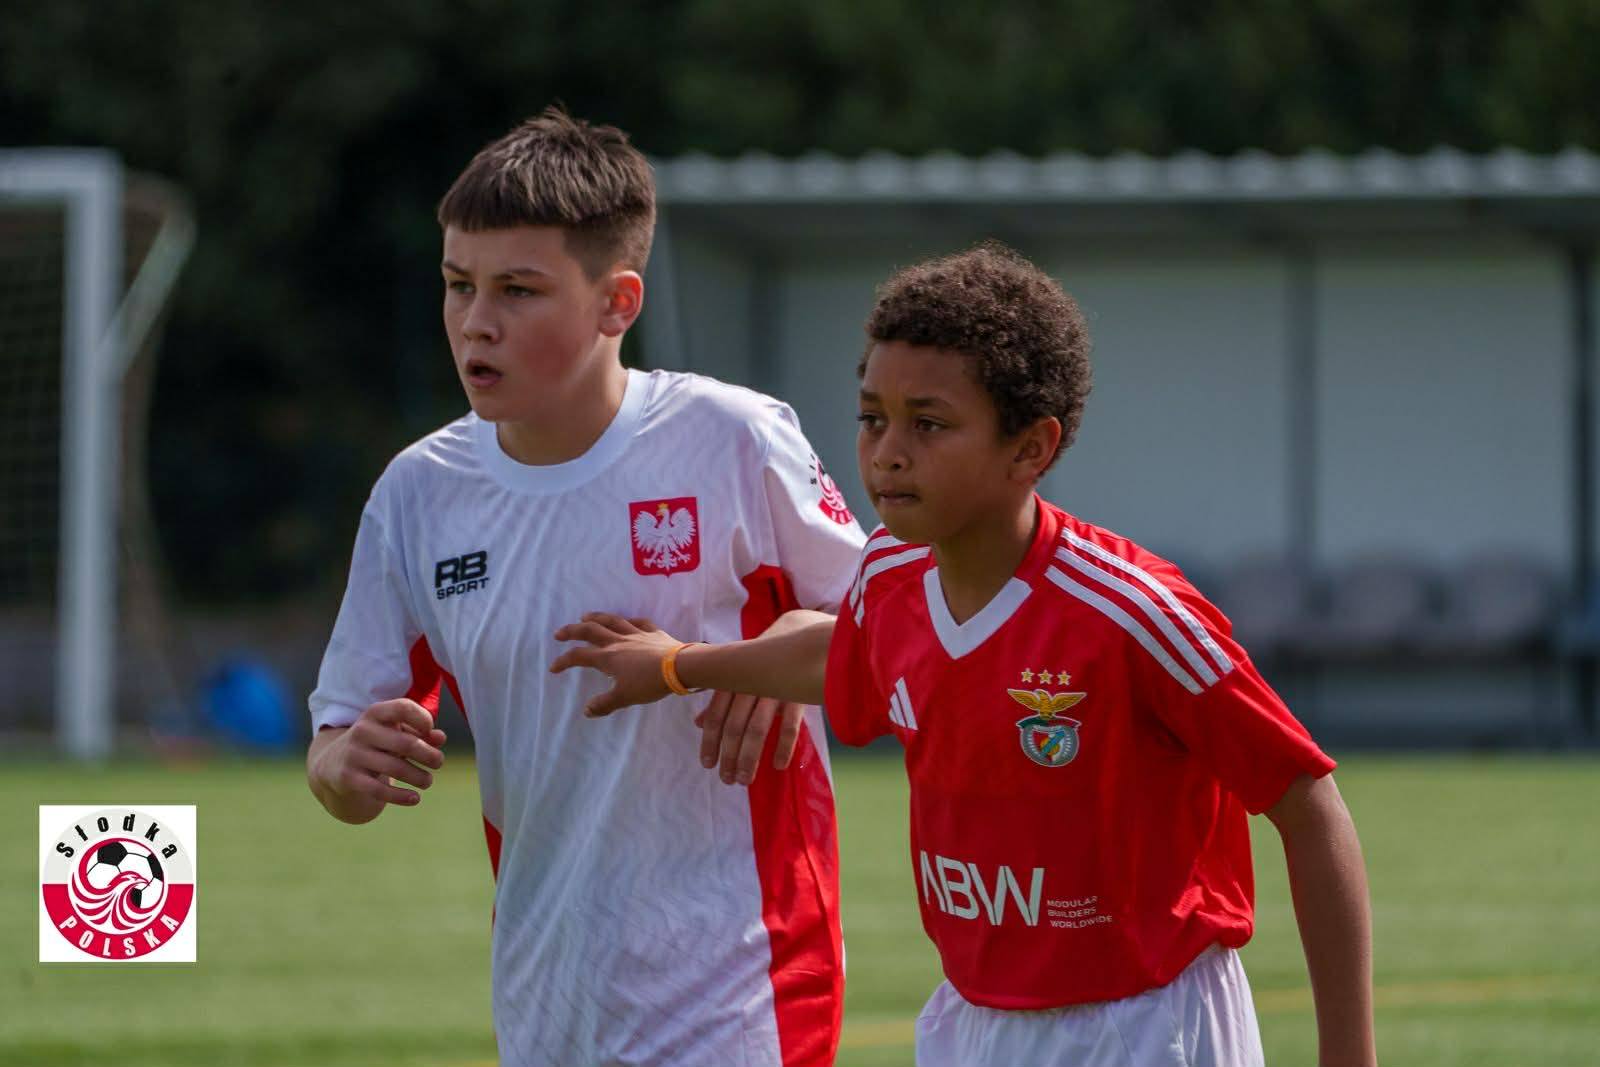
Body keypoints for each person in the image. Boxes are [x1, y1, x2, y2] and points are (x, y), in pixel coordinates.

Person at [552, 243, 1377, 1067]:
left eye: (929, 423)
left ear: (1030, 449)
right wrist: (680, 664)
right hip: (970, 1019)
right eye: (872, 417)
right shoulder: (888, 571)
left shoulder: (1132, 612)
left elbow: (1309, 804)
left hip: (1142, 1023)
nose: (887, 451)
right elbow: (850, 654)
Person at [305, 107, 865, 1067]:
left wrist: (778, 651)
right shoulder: (418, 495)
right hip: (546, 1003)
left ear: (618, 303)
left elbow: (893, 624)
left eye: (518, 290)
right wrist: (344, 764)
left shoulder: (732, 438)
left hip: (745, 990)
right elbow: (336, 744)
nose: (476, 321)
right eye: (458, 284)